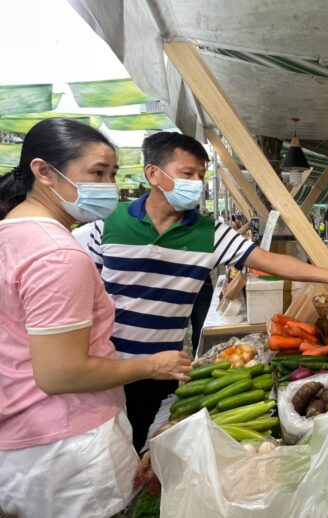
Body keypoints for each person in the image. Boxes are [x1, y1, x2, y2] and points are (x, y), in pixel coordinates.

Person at [82, 132, 328, 451]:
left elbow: (269, 261)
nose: (197, 183)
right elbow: (83, 290)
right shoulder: (108, 223)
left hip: (163, 367)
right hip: (107, 366)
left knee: (143, 446)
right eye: (187, 174)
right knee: (103, 448)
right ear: (153, 174)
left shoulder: (209, 233)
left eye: (201, 174)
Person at [0, 118, 191, 517]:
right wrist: (153, 364)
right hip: (69, 451)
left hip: (24, 440)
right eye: (97, 173)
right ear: (42, 172)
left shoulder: (11, 235)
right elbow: (60, 374)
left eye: (112, 174)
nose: (109, 186)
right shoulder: (57, 254)